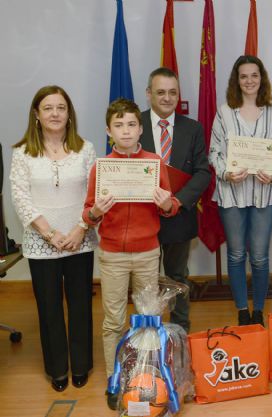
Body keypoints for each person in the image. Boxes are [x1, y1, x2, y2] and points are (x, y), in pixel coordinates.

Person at [82, 98, 179, 408]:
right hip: (112, 254)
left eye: (132, 124)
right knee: (113, 320)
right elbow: (87, 214)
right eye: (119, 125)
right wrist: (95, 212)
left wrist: (166, 204)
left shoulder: (154, 163)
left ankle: (147, 376)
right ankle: (115, 380)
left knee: (149, 319)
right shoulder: (101, 167)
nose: (126, 130)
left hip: (148, 252)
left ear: (140, 129)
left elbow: (171, 206)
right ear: (109, 131)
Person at [9, 85, 97, 392]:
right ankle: (58, 368)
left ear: (69, 113)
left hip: (79, 238)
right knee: (49, 308)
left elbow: (93, 193)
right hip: (40, 241)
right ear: (36, 114)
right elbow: (20, 197)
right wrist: (48, 233)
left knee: (80, 304)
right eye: (48, 108)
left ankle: (82, 365)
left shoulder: (85, 149)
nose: (55, 113)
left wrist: (79, 230)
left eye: (61, 107)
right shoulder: (21, 153)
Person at [209, 55, 272, 326]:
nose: (249, 81)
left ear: (261, 78)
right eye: (243, 76)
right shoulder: (224, 112)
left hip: (264, 194)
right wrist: (225, 172)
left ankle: (259, 311)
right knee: (235, 254)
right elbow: (214, 152)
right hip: (232, 192)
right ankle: (242, 310)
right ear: (237, 80)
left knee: (259, 255)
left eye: (254, 75)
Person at [140, 67, 211, 333]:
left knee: (177, 277)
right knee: (145, 281)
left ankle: (180, 330)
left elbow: (203, 172)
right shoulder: (133, 124)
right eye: (160, 92)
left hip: (179, 216)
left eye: (172, 92)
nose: (167, 98)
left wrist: (178, 201)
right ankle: (147, 333)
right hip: (142, 217)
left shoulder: (192, 128)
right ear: (149, 94)